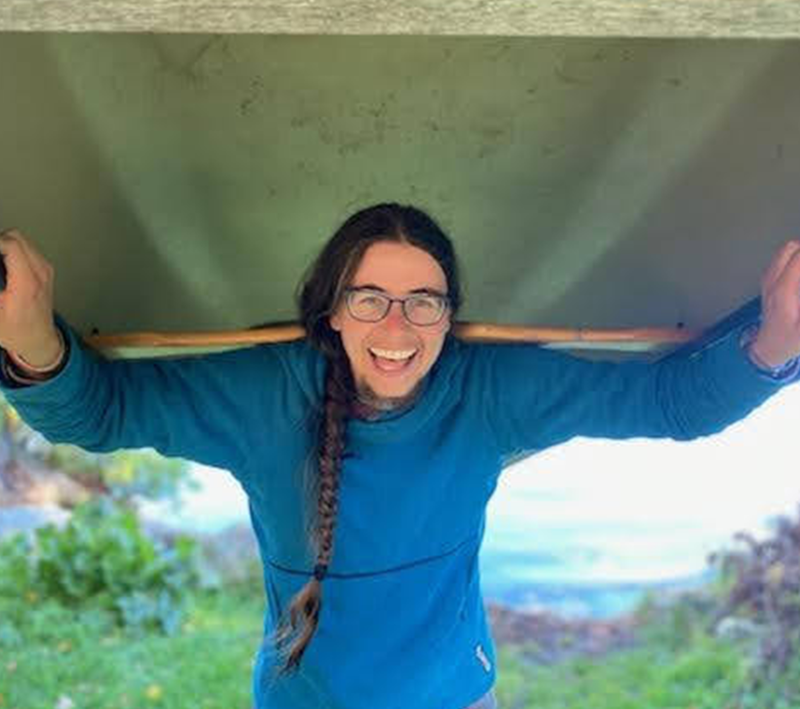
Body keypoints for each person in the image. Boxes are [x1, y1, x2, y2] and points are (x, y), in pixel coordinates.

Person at [1, 202, 799, 709]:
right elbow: (103, 410)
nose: (396, 328)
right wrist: (29, 333)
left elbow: (669, 405)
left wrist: (777, 339)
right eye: (369, 299)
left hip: (455, 695)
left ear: (449, 317)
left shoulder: (489, 388)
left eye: (423, 302)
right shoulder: (264, 395)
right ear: (331, 310)